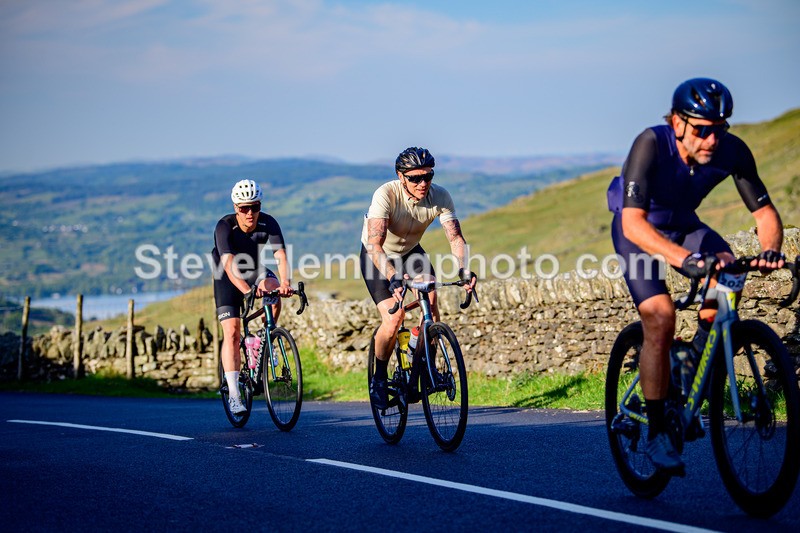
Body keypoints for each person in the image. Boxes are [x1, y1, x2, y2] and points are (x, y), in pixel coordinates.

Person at [607, 78, 785, 474]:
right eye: (702, 130)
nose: (712, 139)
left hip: (683, 224)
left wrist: (771, 251)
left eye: (720, 129)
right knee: (660, 317)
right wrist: (685, 259)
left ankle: (690, 364)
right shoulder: (650, 144)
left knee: (729, 271)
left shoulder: (732, 151)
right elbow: (633, 224)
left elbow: (765, 213)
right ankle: (656, 431)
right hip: (637, 231)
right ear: (677, 123)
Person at [360, 146, 477, 409]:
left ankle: (427, 368)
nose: (423, 183)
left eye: (428, 176)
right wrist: (393, 276)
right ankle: (379, 378)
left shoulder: (440, 196)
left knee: (431, 305)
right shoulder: (385, 194)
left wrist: (464, 270)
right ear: (401, 176)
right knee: (394, 318)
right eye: (415, 178)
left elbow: (455, 238)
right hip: (376, 256)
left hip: (411, 253)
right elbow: (375, 245)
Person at [212, 179, 293, 415]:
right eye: (244, 208)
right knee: (232, 331)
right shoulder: (224, 226)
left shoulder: (268, 222)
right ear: (236, 208)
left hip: (253, 268)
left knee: (273, 289)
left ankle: (265, 336)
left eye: (254, 207)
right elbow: (229, 264)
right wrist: (247, 291)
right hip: (226, 275)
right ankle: (234, 394)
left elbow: (280, 255)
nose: (250, 213)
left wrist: (285, 283)